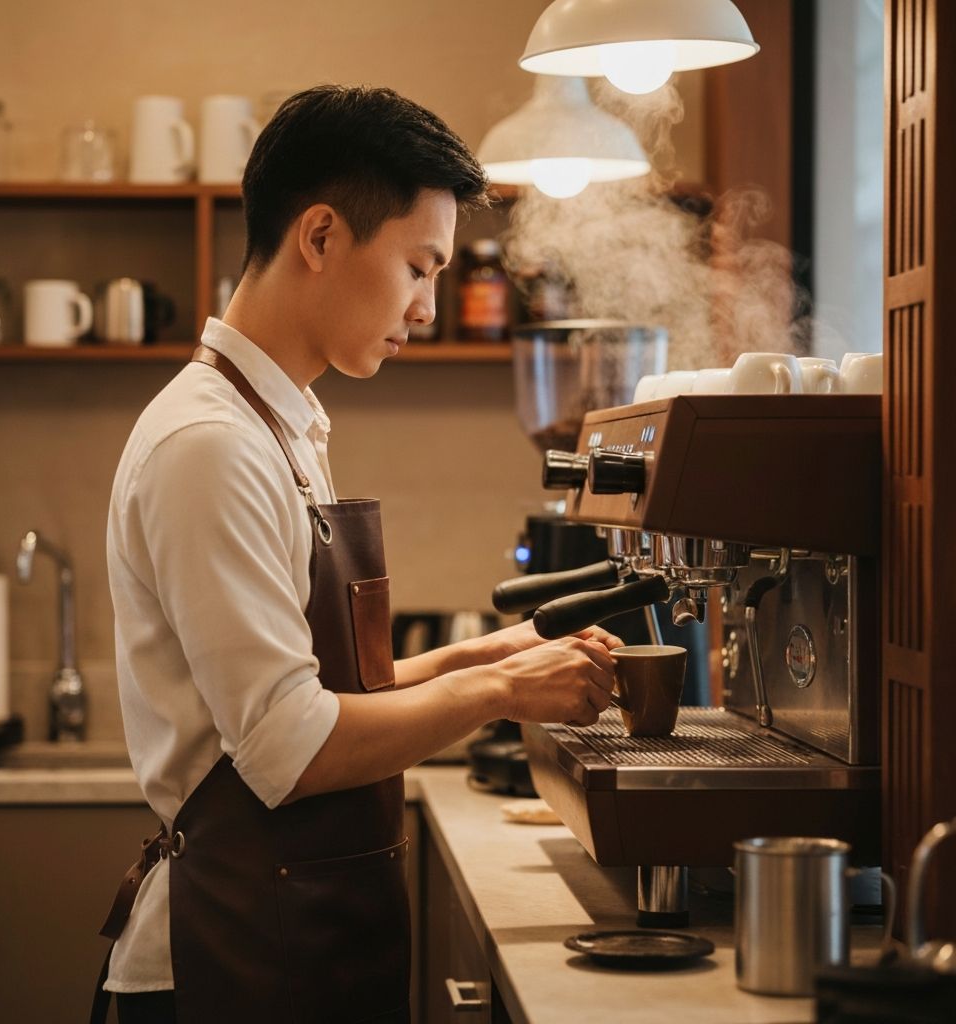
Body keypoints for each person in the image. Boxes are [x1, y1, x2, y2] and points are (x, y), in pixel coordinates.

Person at [96, 84, 619, 1024]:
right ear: (321, 236)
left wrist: (484, 655)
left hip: (295, 937)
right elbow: (287, 747)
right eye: (419, 267)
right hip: (228, 962)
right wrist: (501, 692)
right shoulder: (209, 444)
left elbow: (318, 692)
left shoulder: (279, 426)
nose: (427, 307)